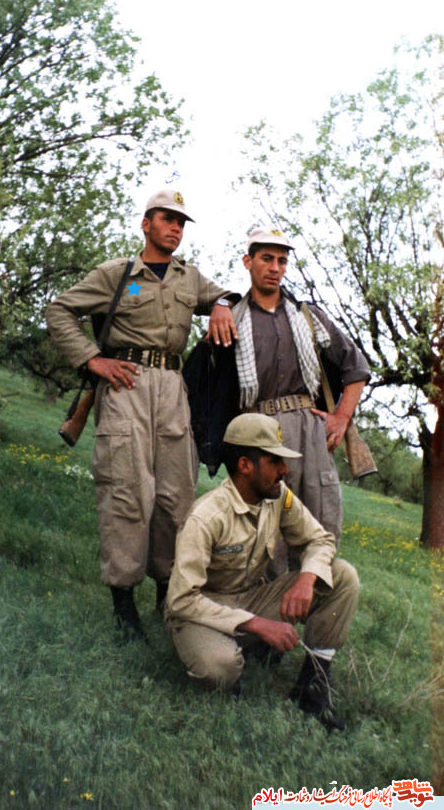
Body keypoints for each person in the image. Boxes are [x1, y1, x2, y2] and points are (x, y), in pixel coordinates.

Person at [46, 189, 239, 640]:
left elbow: (228, 296)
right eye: (167, 219)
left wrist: (223, 304)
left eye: (181, 222)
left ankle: (169, 595)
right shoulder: (117, 275)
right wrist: (92, 360)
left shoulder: (190, 278)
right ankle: (123, 604)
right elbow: (60, 310)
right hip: (125, 385)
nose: (175, 228)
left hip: (173, 389)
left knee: (176, 496)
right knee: (127, 492)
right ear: (146, 224)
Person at [165, 413, 360, 731]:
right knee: (220, 669)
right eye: (275, 461)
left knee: (342, 576)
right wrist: (258, 625)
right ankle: (240, 653)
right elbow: (182, 600)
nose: (285, 470)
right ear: (245, 465)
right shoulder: (206, 517)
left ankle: (312, 686)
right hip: (201, 611)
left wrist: (307, 578)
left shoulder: (279, 498)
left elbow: (320, 539)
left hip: (251, 598)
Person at [230, 227, 370, 569]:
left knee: (321, 519)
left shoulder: (308, 316)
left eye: (282, 261)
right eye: (266, 258)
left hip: (310, 428)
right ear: (248, 261)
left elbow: (356, 367)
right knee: (266, 527)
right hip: (259, 430)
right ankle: (271, 598)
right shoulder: (233, 319)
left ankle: (318, 592)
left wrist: (341, 418)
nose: (275, 268)